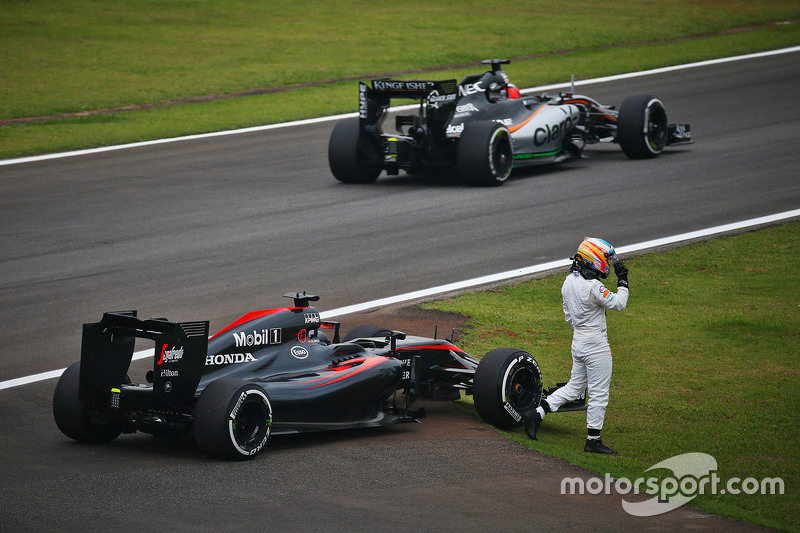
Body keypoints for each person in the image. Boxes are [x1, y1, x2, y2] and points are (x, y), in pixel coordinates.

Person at [524, 237, 629, 455]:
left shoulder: (568, 282)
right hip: (596, 344)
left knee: (575, 387)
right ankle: (593, 440)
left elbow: (568, 315)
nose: (608, 263)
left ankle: (537, 413)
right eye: (606, 259)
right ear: (594, 259)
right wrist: (623, 281)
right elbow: (619, 303)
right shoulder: (594, 287)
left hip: (578, 340)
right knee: (599, 393)